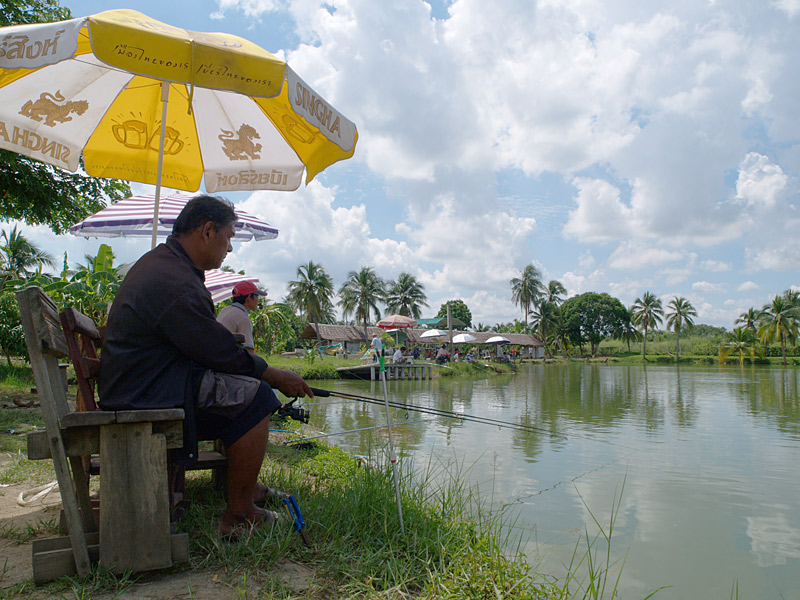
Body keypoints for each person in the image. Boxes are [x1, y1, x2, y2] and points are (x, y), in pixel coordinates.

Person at [98, 195, 313, 539]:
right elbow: (214, 349)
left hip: (143, 383)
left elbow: (207, 345)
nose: (229, 248)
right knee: (257, 397)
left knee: (239, 389)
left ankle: (248, 490)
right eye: (228, 238)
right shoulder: (173, 278)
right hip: (145, 392)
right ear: (208, 230)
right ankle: (240, 514)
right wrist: (272, 374)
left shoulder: (169, 266)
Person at [216, 281, 266, 353]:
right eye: (256, 296)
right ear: (249, 298)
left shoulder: (225, 310)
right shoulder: (243, 319)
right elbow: (249, 351)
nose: (258, 300)